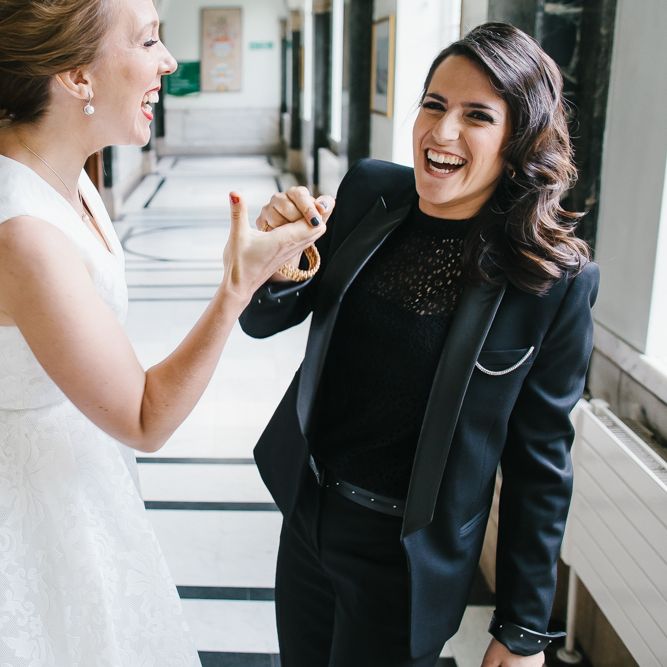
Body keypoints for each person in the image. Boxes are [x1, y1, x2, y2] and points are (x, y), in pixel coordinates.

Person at [240, 22, 599, 667]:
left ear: (519, 140)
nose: (442, 131)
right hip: (310, 518)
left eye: (477, 116)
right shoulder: (369, 192)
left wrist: (522, 629)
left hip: (406, 559)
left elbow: (539, 461)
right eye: (434, 105)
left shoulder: (548, 280)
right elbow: (262, 322)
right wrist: (280, 262)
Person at [0, 0, 325, 664]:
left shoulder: (66, 175)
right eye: (148, 41)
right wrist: (235, 288)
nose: (169, 62)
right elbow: (146, 419)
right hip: (35, 511)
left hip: (80, 478)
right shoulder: (25, 233)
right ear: (77, 76)